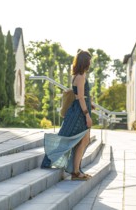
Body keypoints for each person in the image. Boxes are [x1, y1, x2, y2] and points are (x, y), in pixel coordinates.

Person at [40, 49, 93, 181]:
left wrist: (89, 104)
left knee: (84, 140)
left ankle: (76, 170)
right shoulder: (80, 77)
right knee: (75, 139)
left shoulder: (79, 76)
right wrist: (87, 115)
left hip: (81, 109)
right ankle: (75, 171)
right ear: (84, 62)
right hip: (79, 113)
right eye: (89, 61)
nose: (90, 63)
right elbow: (80, 97)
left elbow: (81, 96)